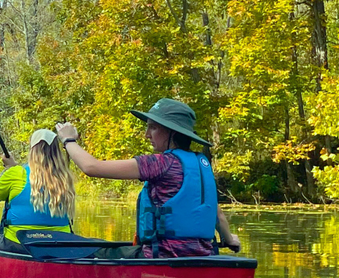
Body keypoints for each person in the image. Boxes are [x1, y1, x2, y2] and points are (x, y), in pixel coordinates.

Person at [54, 98, 241, 258]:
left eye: (153, 128)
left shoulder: (160, 163)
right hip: (204, 256)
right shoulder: (202, 165)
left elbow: (92, 167)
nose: (146, 135)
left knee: (93, 249)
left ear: (171, 132)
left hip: (160, 256)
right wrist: (229, 239)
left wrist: (68, 140)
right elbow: (218, 215)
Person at [0, 129, 76, 254]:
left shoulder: (17, 172)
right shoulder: (65, 177)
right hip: (60, 243)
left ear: (32, 150)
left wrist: (9, 169)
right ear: (57, 151)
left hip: (17, 242)